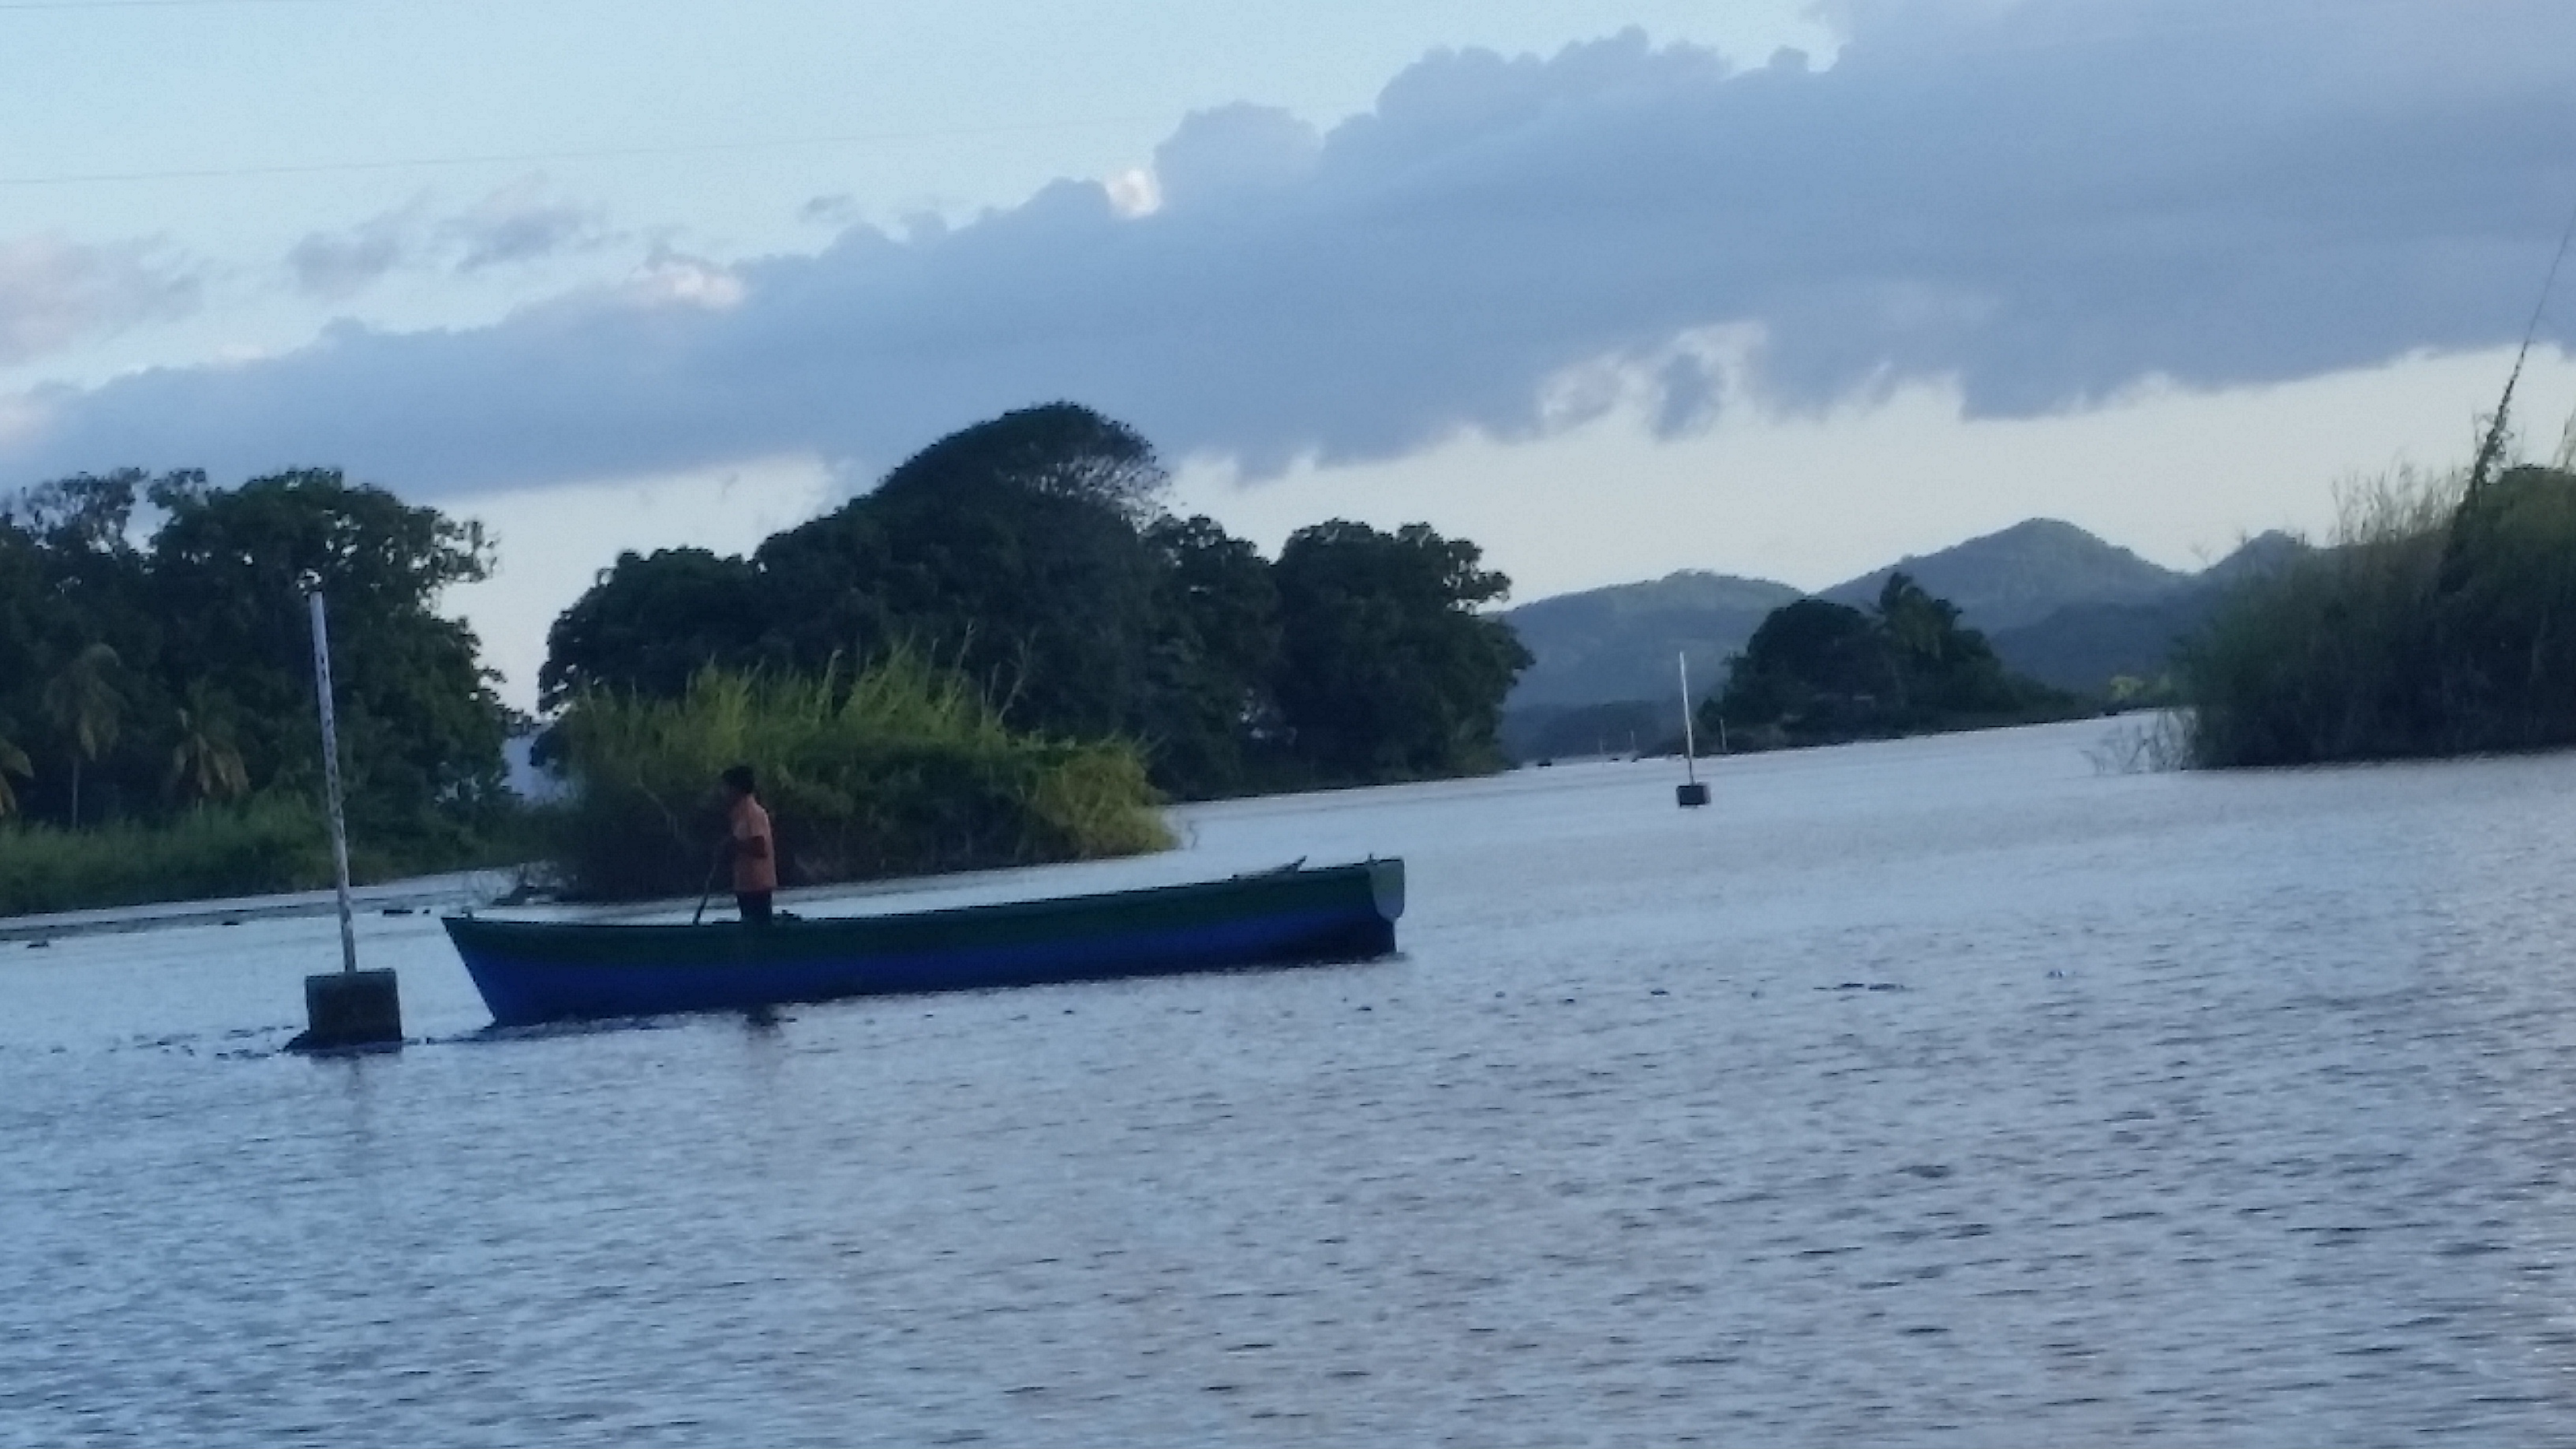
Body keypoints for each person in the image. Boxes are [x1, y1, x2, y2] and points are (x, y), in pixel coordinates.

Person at [720, 764, 777, 926]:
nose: (723, 792)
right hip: (745, 885)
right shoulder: (738, 813)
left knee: (759, 927)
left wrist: (733, 845)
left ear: (736, 789)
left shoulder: (752, 813)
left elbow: (760, 848)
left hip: (757, 886)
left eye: (726, 788)